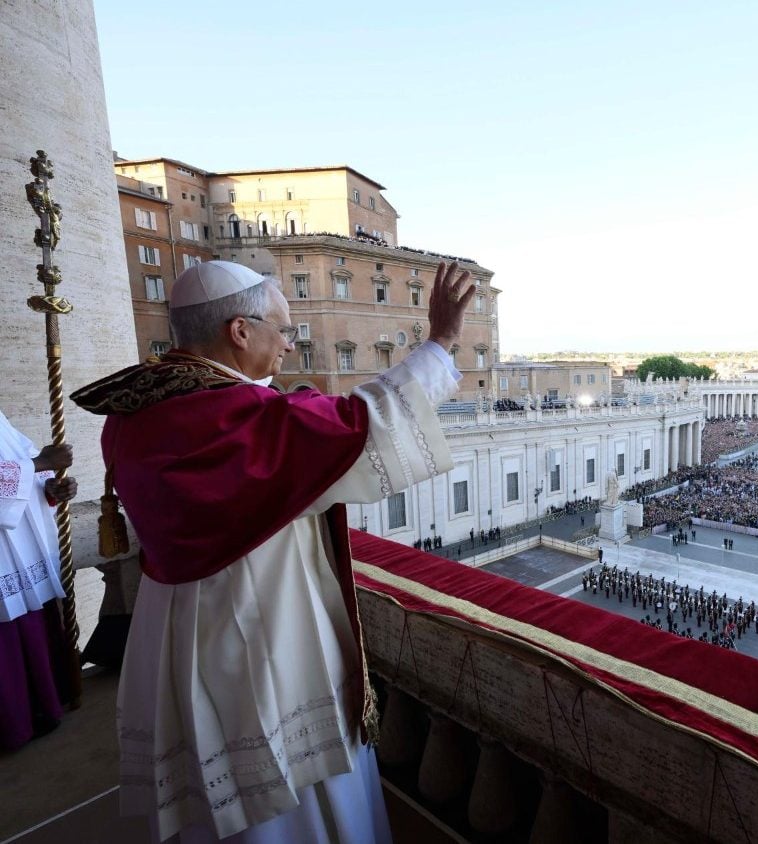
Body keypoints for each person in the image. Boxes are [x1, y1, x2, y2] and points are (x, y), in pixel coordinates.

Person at [71, 259, 475, 843]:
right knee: (282, 783)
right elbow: (360, 422)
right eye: (283, 330)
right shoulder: (232, 417)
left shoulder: (141, 408)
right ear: (240, 331)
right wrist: (440, 340)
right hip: (257, 626)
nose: (290, 344)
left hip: (178, 623)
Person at [0, 412, 77, 750]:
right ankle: (12, 724)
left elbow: (21, 463)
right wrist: (42, 461)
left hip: (17, 549)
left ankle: (43, 708)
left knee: (32, 623)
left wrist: (50, 485)